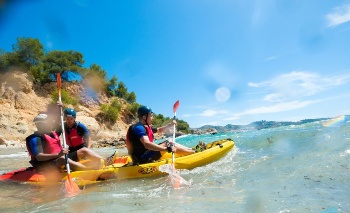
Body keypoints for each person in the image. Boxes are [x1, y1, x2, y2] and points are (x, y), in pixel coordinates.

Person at [126, 106, 195, 164]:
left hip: (144, 155)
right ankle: (193, 153)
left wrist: (170, 125)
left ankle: (190, 150)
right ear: (144, 117)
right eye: (151, 115)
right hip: (141, 159)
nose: (153, 118)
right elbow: (147, 144)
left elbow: (159, 130)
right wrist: (166, 149)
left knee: (169, 141)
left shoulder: (145, 126)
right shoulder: (139, 128)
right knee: (167, 143)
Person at [26, 113, 92, 172]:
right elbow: (39, 157)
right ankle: (88, 170)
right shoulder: (35, 139)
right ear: (40, 125)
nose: (51, 125)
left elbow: (60, 120)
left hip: (57, 159)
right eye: (49, 124)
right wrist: (58, 155)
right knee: (62, 159)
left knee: (84, 150)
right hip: (45, 165)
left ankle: (102, 161)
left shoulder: (52, 134)